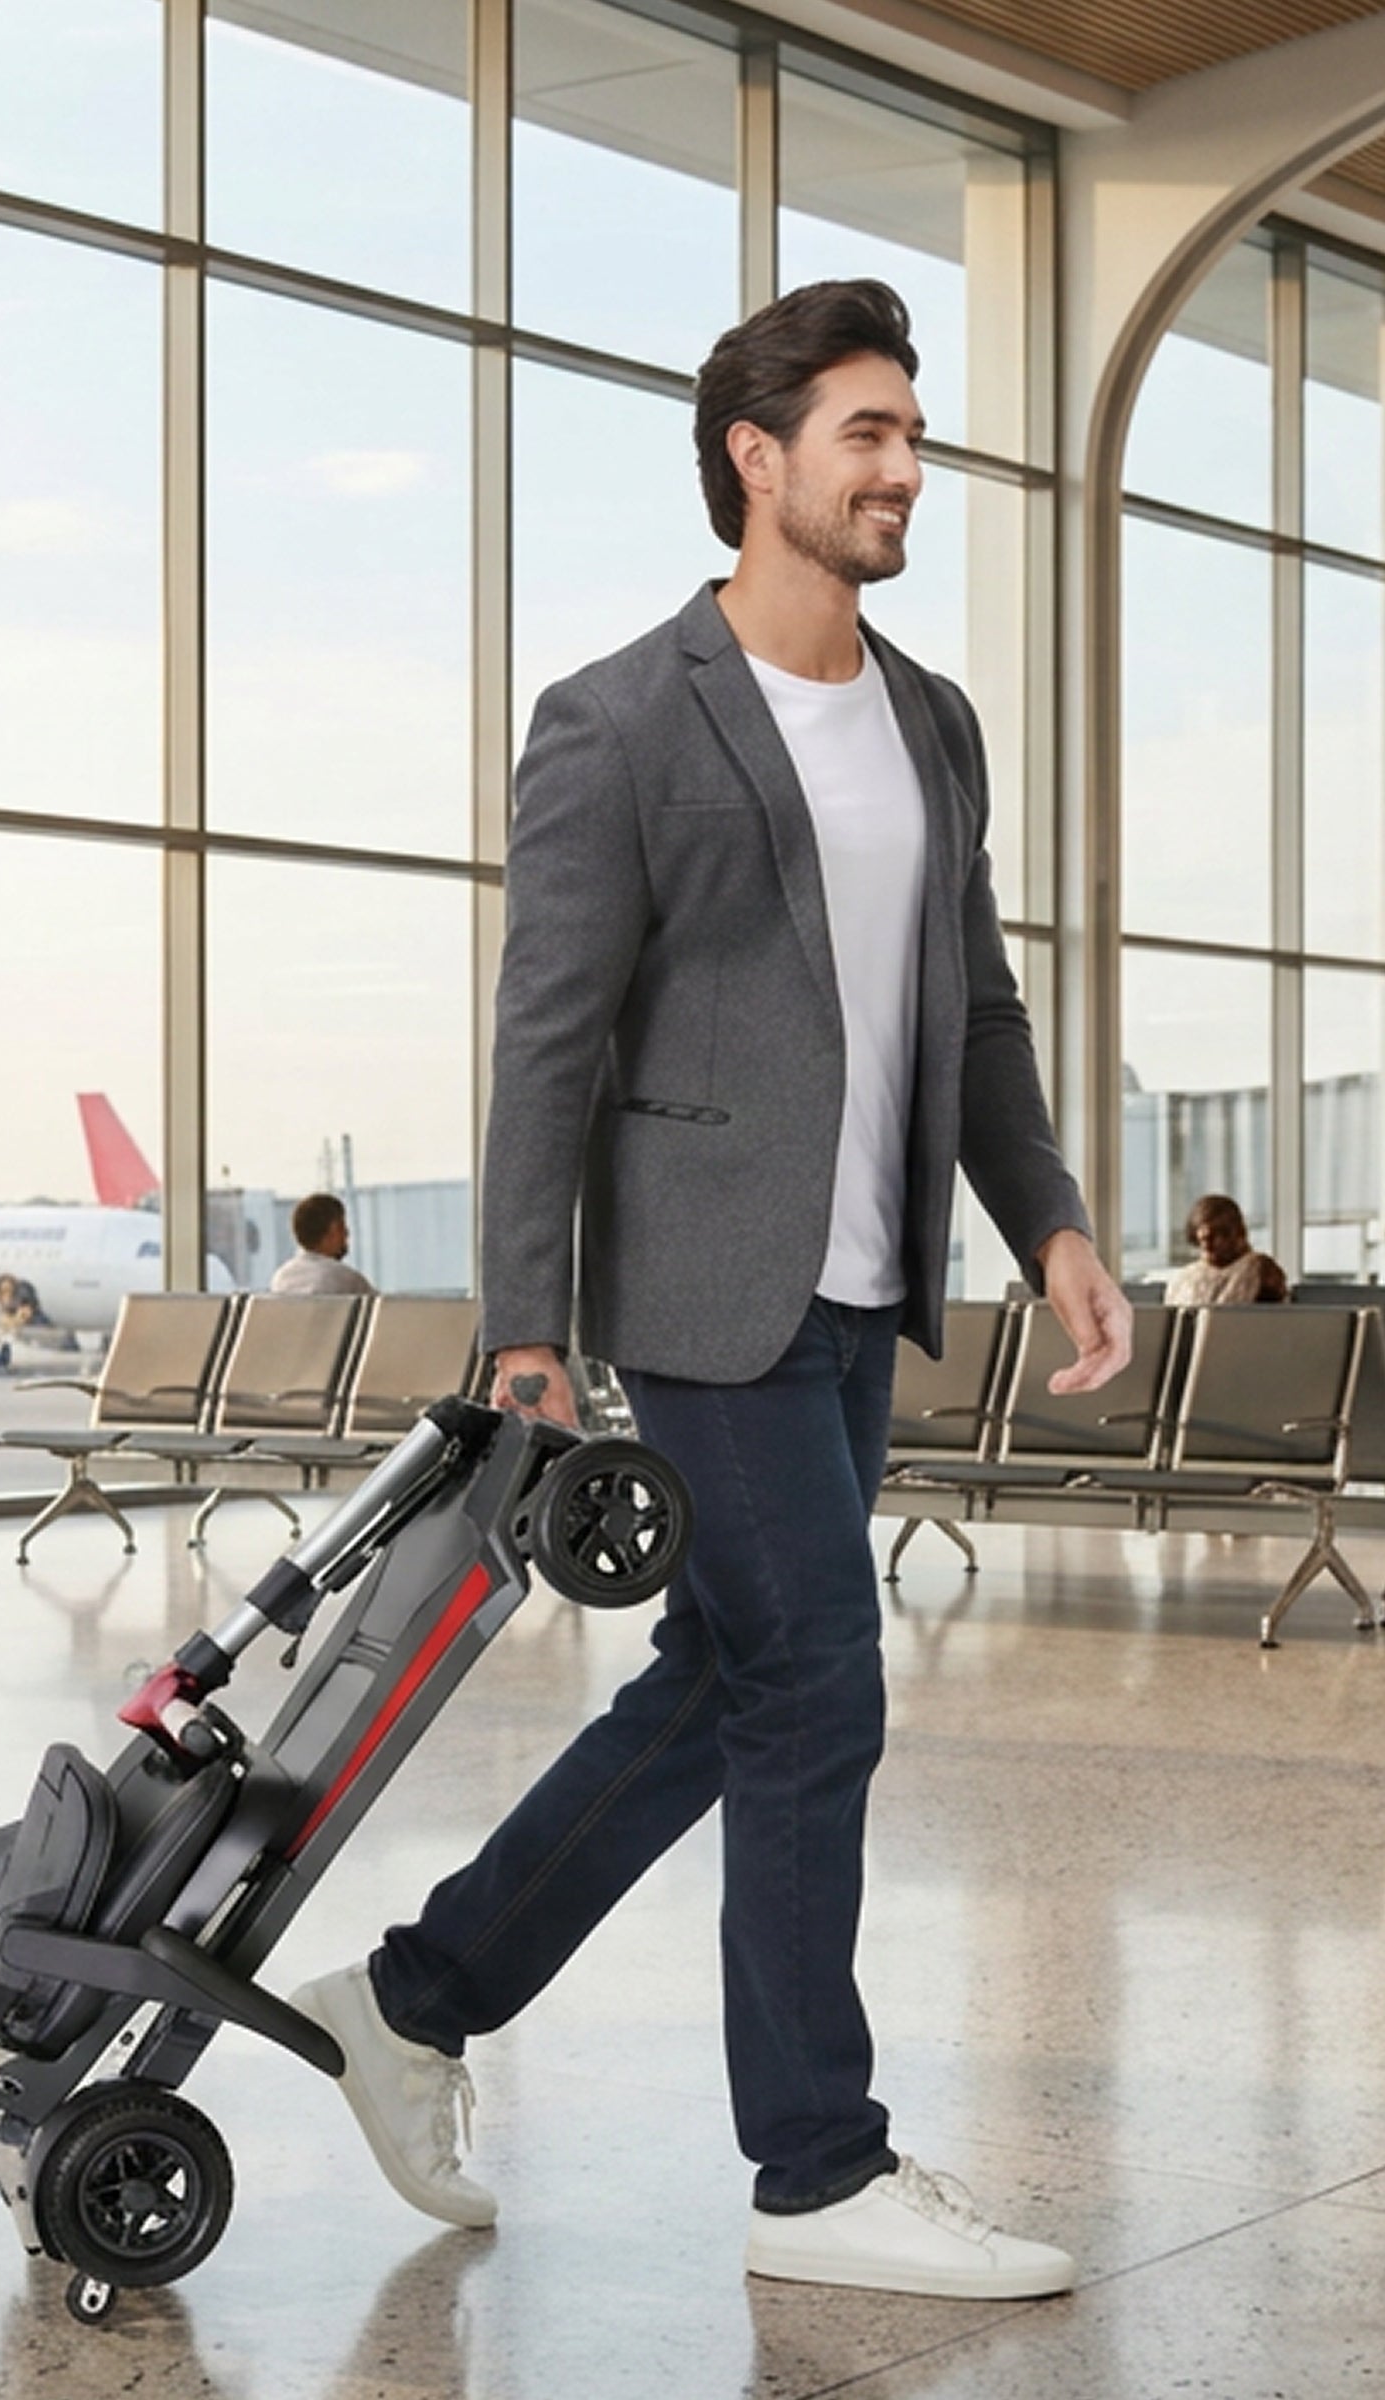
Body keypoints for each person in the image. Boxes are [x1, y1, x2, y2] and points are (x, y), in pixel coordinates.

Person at [291, 280, 1131, 2299]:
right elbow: (548, 1040)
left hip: (857, 1298)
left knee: (724, 1686)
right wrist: (522, 1324)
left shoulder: (928, 719)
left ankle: (412, 1997)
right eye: (864, 434)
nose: (901, 469)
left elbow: (977, 1013)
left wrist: (1050, 1223)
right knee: (817, 1692)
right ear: (754, 459)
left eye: (908, 434)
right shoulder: (619, 717)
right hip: (699, 1291)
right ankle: (814, 2172)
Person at [1164, 1194, 1288, 1305]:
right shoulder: (1184, 1278)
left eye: (1218, 1235)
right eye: (1203, 1240)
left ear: (1238, 1233)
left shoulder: (1258, 1268)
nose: (1208, 1245)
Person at [269, 1192, 374, 1297]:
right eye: (342, 1227)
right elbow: (383, 1310)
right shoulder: (343, 1279)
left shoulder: (280, 1278)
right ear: (332, 1232)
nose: (347, 1233)